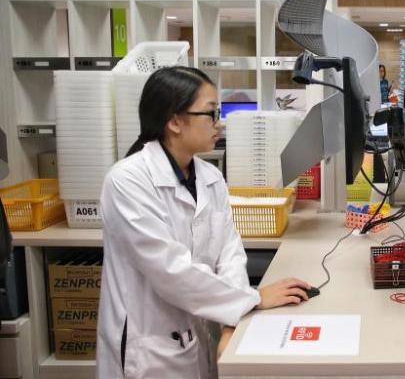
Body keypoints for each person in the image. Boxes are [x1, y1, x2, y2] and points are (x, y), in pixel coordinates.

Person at [97, 67, 311, 378]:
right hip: (149, 352)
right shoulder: (127, 181)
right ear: (174, 121)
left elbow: (229, 251)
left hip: (200, 334)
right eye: (211, 114)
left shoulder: (208, 176)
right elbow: (170, 270)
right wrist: (252, 298)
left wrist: (235, 315)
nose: (219, 123)